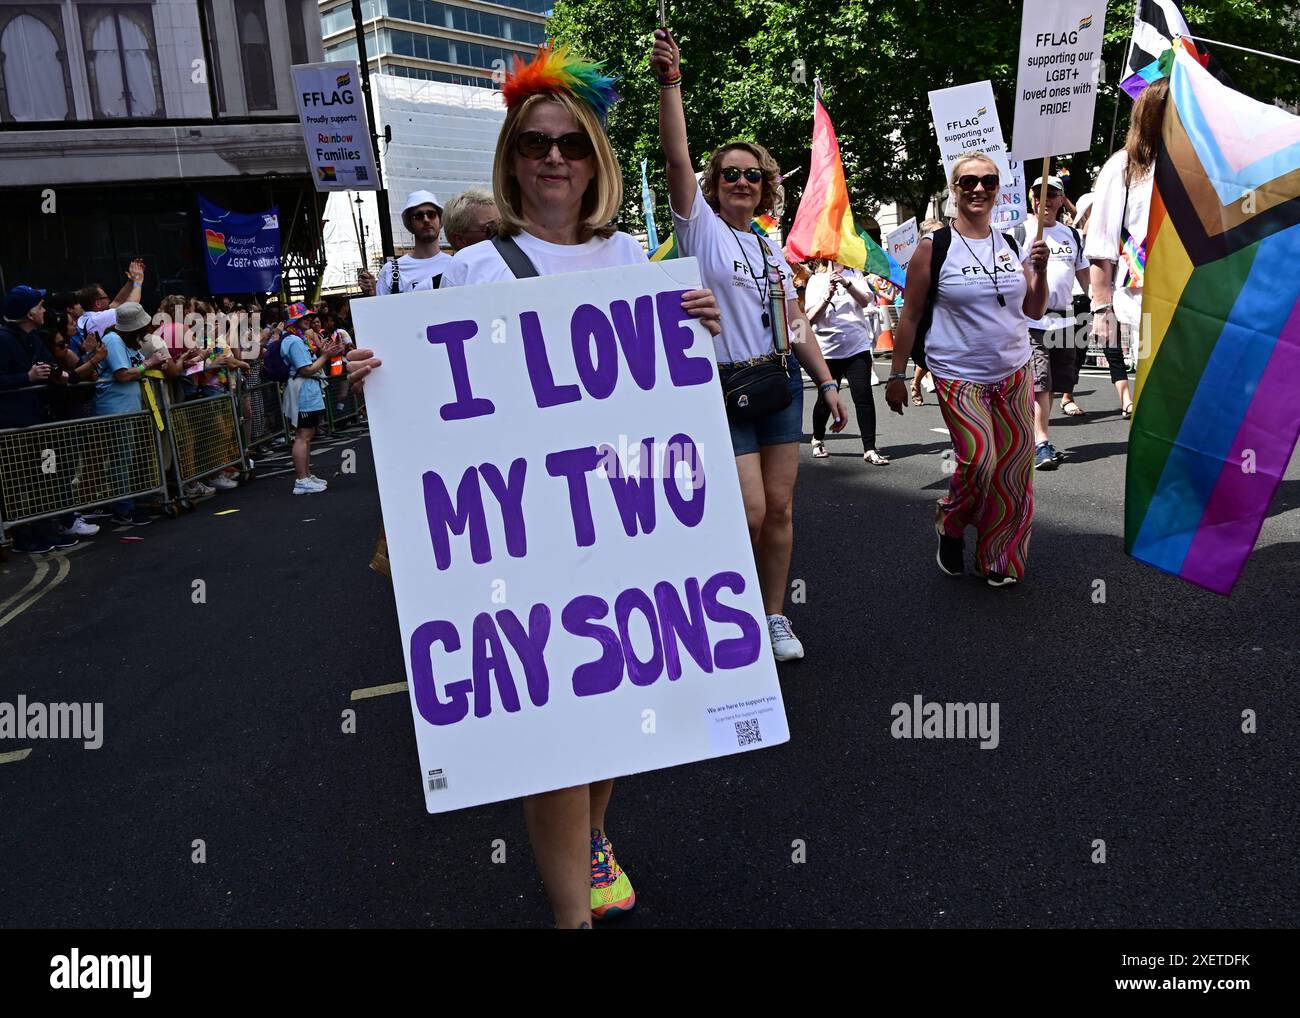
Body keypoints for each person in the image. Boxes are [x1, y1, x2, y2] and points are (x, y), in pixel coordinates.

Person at [346, 43, 722, 929]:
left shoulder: (632, 253)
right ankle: (570, 919)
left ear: (596, 158)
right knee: (553, 728)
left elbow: (663, 391)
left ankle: (595, 834)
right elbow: (434, 401)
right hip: (527, 535)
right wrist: (374, 372)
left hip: (623, 519)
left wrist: (697, 324)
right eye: (535, 143)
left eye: (572, 143)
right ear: (512, 160)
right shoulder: (475, 268)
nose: (554, 157)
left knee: (615, 699)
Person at [653, 26, 847, 661]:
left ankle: (773, 617)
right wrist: (671, 83)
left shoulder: (769, 245)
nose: (741, 181)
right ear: (715, 184)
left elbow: (794, 321)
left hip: (781, 383)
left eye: (752, 175)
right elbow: (677, 159)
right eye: (730, 173)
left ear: (766, 186)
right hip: (724, 386)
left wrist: (826, 384)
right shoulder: (699, 231)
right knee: (751, 509)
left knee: (783, 511)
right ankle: (723, 610)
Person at [884, 152, 1049, 587]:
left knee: (1014, 469)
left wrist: (1041, 271)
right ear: (954, 189)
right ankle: (951, 521)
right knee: (980, 462)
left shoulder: (1013, 244)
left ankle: (999, 559)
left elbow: (1033, 308)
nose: (979, 189)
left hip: (1014, 370)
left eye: (989, 182)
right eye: (969, 181)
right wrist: (898, 375)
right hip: (958, 374)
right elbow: (911, 315)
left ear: (999, 189)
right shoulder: (933, 247)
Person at [1085, 78, 1169, 421]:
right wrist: (1102, 308)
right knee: (1159, 381)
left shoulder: (1199, 162)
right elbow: (1101, 242)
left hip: (1196, 288)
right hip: (1142, 295)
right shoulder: (1124, 165)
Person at [1014, 175, 1091, 470]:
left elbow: (1084, 275)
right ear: (1031, 198)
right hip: (1032, 322)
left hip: (1066, 322)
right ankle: (1041, 442)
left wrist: (1101, 308)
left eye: (1052, 194)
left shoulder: (1072, 235)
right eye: (1038, 193)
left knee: (1061, 381)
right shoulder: (1019, 232)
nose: (1044, 199)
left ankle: (1031, 431)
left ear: (1061, 200)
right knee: (1041, 383)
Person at [803, 260, 888, 464]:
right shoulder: (815, 280)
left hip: (856, 347)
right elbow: (810, 318)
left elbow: (866, 301)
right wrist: (827, 296)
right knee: (826, 399)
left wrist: (847, 284)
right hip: (828, 352)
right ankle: (818, 439)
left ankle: (870, 448)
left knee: (864, 396)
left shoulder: (854, 275)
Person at [93, 301, 168, 527]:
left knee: (125, 459)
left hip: (127, 408)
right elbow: (123, 375)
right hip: (116, 409)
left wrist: (152, 364)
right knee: (120, 460)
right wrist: (150, 363)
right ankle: (123, 509)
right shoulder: (114, 340)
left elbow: (136, 367)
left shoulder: (123, 342)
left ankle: (127, 503)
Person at [280, 305, 341, 495]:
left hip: (307, 391)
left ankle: (306, 475)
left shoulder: (298, 339)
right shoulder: (294, 341)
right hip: (302, 392)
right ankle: (302, 479)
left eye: (308, 316)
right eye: (303, 318)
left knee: (307, 436)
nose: (308, 320)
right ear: (293, 321)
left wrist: (321, 352)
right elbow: (306, 369)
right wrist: (325, 356)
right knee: (303, 436)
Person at [359, 191, 454, 296]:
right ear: (409, 224)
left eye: (431, 214)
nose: (426, 220)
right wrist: (373, 297)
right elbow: (382, 311)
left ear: (440, 220)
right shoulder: (390, 271)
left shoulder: (456, 265)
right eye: (418, 216)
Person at [910, 218, 945, 406]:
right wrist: (897, 374)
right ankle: (915, 382)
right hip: (927, 317)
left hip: (950, 323)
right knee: (926, 357)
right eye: (936, 234)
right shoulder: (918, 263)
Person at [75, 259, 145, 352]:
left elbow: (117, 302)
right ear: (98, 303)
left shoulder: (88, 317)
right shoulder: (98, 319)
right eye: (106, 298)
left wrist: (131, 281)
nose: (109, 300)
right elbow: (131, 308)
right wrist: (138, 281)